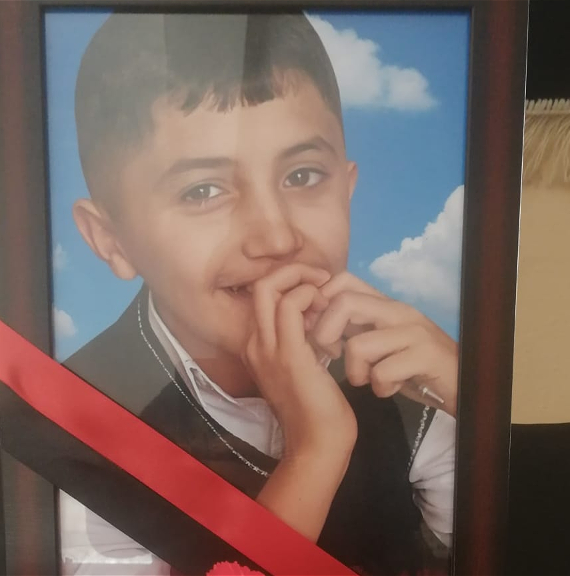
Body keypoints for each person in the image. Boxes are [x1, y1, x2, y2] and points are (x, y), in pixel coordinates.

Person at [59, 11, 458, 576]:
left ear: (347, 190)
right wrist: (314, 453)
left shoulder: (407, 381)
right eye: (203, 191)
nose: (277, 238)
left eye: (302, 176)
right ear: (111, 240)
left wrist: (475, 399)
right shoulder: (76, 423)